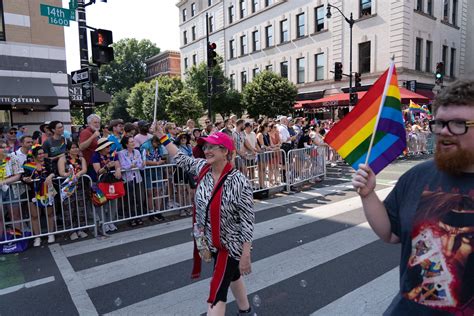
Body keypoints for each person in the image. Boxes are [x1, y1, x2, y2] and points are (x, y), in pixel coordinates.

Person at [352, 80, 474, 315]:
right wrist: (368, 195)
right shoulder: (417, 175)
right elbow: (391, 232)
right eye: (439, 123)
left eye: (459, 123)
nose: (444, 131)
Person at [156, 130, 254, 316]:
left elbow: (247, 220)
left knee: (216, 291)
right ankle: (246, 310)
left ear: (225, 151)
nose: (207, 150)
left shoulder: (239, 181)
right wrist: (162, 136)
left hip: (231, 246)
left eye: (212, 147)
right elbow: (179, 157)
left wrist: (246, 254)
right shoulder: (202, 168)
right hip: (211, 242)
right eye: (205, 147)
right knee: (232, 276)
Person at [21, 145, 56, 247]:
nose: (41, 155)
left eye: (42, 153)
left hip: (47, 191)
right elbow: (23, 176)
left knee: (49, 213)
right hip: (33, 192)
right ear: (34, 155)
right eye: (39, 154)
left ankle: (51, 234)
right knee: (35, 215)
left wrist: (50, 176)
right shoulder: (28, 164)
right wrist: (26, 179)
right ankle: (37, 237)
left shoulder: (48, 161)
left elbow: (54, 171)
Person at [57, 141, 88, 241]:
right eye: (73, 148)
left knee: (80, 208)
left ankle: (81, 228)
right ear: (68, 149)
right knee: (69, 209)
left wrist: (78, 174)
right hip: (68, 187)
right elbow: (61, 172)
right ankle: (71, 230)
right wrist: (68, 175)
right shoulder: (63, 159)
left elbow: (84, 169)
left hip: (79, 186)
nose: (75, 150)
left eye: (76, 147)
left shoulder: (81, 158)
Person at [92, 138, 122, 233]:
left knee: (113, 201)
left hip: (111, 182)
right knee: (101, 202)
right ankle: (103, 222)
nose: (109, 147)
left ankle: (111, 221)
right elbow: (98, 171)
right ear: (102, 148)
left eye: (109, 146)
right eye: (107, 146)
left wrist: (118, 170)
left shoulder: (113, 153)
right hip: (98, 182)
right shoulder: (95, 155)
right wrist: (107, 166)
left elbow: (117, 165)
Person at [118, 136, 145, 226]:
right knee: (129, 199)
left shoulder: (137, 151)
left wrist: (139, 164)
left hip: (137, 177)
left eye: (133, 141)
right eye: (131, 142)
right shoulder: (121, 153)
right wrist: (131, 165)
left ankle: (138, 216)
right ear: (126, 144)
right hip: (128, 178)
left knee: (139, 197)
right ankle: (131, 218)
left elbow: (140, 164)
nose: (133, 143)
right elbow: (123, 166)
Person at [0, 140, 24, 237]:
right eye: (2, 147)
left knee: (15, 215)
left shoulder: (13, 157)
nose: (4, 149)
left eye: (6, 147)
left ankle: (17, 238)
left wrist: (4, 182)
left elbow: (18, 175)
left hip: (12, 189)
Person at [141, 135, 166, 222]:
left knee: (158, 191)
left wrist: (161, 161)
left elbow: (163, 157)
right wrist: (156, 163)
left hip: (158, 171)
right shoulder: (145, 146)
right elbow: (144, 161)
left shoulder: (159, 146)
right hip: (148, 172)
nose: (158, 145)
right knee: (150, 192)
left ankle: (158, 211)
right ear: (154, 141)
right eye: (157, 143)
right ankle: (151, 212)